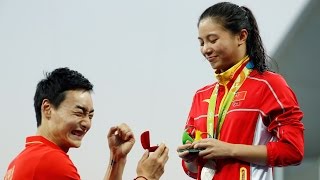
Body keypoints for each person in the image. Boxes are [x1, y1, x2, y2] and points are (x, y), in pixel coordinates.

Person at [177, 2, 304, 180]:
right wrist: (190, 159)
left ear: (241, 36)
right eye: (201, 42)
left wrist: (229, 149)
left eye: (213, 40)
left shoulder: (269, 85)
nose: (206, 49)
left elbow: (293, 150)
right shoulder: (201, 96)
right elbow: (193, 170)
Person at [4, 67, 169, 180]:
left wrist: (117, 159)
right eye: (79, 112)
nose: (86, 123)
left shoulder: (21, 160)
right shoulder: (51, 161)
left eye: (90, 115)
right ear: (47, 108)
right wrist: (146, 176)